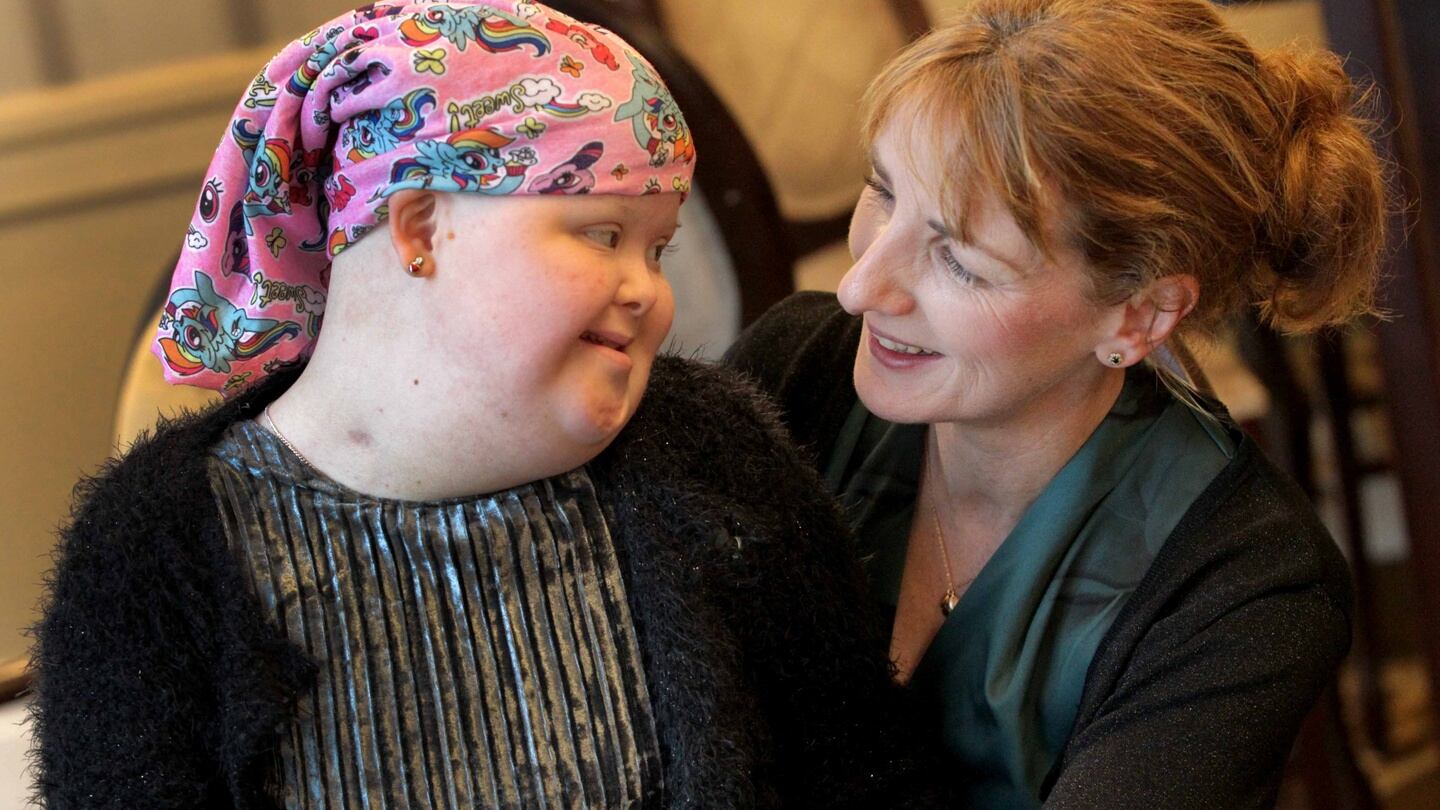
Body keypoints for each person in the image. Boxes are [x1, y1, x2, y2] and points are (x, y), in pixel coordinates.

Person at [30, 3, 945, 807]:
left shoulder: (718, 455)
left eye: (657, 250)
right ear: (421, 226)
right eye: (601, 233)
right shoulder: (156, 550)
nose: (649, 292)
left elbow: (868, 777)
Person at [727, 0, 1387, 806]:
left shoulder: (1242, 587)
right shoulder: (793, 375)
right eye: (884, 192)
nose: (862, 287)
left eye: (961, 260)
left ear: (1139, 314)